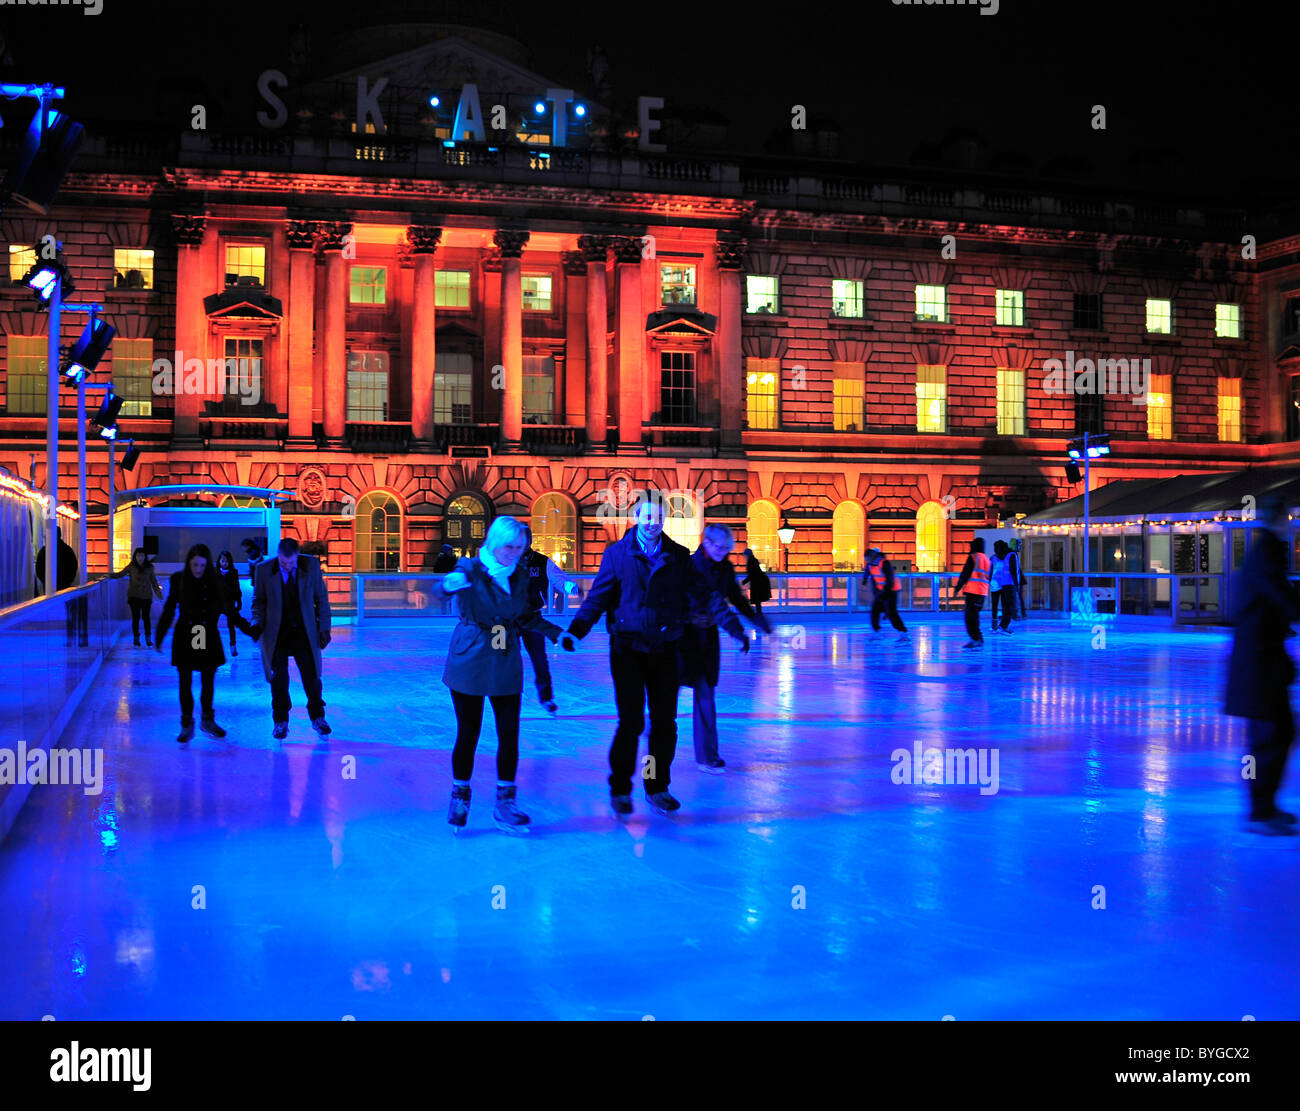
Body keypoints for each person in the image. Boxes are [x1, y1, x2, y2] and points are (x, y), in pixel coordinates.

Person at [561, 498, 749, 816]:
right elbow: (598, 597)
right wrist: (576, 630)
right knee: (631, 722)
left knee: (664, 724)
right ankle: (621, 788)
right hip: (627, 650)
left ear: (664, 520)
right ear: (637, 517)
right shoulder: (617, 554)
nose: (652, 522)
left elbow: (707, 595)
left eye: (658, 517)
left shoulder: (677, 556)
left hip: (665, 650)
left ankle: (656, 785)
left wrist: (733, 628)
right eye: (647, 516)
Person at [437, 515, 566, 833]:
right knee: (469, 733)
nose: (515, 553)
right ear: (495, 542)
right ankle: (460, 795)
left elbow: (524, 614)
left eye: (520, 548)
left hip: (505, 657)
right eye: (510, 547)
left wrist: (555, 633)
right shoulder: (471, 568)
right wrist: (447, 584)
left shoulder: (519, 574)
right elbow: (446, 586)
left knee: (509, 735)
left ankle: (505, 803)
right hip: (471, 655)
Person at [1225, 494, 1300, 834]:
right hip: (1259, 665)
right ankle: (1260, 811)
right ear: (1280, 518)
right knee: (1272, 734)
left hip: (1259, 663)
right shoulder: (1268, 550)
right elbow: (1277, 593)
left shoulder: (1262, 550)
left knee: (1272, 734)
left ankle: (1263, 807)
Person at [680, 523, 770, 772]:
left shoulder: (725, 567)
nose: (723, 552)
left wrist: (753, 620)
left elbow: (735, 597)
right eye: (719, 547)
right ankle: (651, 726)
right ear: (706, 542)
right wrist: (736, 630)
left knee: (706, 695)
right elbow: (713, 604)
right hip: (682, 638)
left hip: (707, 639)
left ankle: (708, 756)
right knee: (667, 697)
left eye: (727, 549)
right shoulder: (690, 567)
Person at [155, 543, 257, 743]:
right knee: (185, 681)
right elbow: (169, 610)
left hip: (206, 634)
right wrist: (159, 636)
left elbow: (229, 610)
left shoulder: (215, 581)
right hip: (186, 634)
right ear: (189, 563)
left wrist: (249, 630)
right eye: (195, 565)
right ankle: (187, 723)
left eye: (202, 565)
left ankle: (207, 720)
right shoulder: (179, 580)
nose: (198, 570)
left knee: (207, 680)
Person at [250, 537, 333, 740]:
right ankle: (281, 721)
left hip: (304, 632)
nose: (287, 567)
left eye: (291, 563)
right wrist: (256, 622)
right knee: (278, 681)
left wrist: (324, 628)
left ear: (297, 556)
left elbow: (321, 598)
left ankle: (318, 717)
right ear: (278, 556)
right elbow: (258, 602)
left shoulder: (310, 565)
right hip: (276, 634)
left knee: (312, 678)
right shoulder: (264, 570)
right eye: (283, 563)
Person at [518, 524, 580, 714]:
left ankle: (546, 698)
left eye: (525, 539)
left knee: (540, 659)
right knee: (503, 656)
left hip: (533, 618)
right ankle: (501, 694)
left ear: (530, 541)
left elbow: (560, 579)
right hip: (507, 620)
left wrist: (572, 588)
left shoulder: (542, 562)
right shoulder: (506, 560)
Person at [35, 534, 85, 645]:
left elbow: (38, 568)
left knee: (50, 609)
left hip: (49, 585)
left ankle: (50, 634)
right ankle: (68, 635)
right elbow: (73, 567)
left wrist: (45, 581)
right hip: (65, 585)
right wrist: (68, 581)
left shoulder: (44, 551)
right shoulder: (67, 550)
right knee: (67, 611)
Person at [110, 546, 163, 647]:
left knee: (146, 618)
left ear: (145, 557)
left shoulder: (150, 567)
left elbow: (154, 582)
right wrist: (110, 575)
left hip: (146, 596)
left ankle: (148, 639)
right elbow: (121, 574)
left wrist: (159, 595)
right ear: (135, 556)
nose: (140, 558)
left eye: (142, 556)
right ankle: (136, 639)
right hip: (134, 596)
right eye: (138, 555)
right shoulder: (132, 566)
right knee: (136, 618)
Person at [951, 537, 991, 650]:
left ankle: (975, 639)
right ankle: (978, 638)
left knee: (970, 617)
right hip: (982, 593)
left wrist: (957, 588)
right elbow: (989, 577)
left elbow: (965, 574)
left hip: (972, 592)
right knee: (975, 617)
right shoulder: (987, 560)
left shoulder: (973, 557)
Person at [863, 547, 908, 640]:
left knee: (892, 613)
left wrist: (884, 592)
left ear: (872, 556)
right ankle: (877, 631)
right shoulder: (870, 565)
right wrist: (867, 581)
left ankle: (903, 632)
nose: (867, 561)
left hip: (891, 591)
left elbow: (890, 579)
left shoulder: (884, 563)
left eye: (867, 559)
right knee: (875, 610)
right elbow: (872, 577)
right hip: (881, 591)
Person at [215, 550, 244, 656]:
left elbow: (237, 588)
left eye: (226, 561)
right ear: (219, 561)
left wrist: (239, 601)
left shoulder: (233, 572)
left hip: (229, 602)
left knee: (231, 625)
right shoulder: (215, 572)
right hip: (217, 603)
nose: (224, 563)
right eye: (222, 561)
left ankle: (233, 645)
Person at [989, 540, 1018, 635]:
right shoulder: (993, 558)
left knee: (1005, 605)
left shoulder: (1006, 557)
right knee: (995, 605)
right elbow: (990, 571)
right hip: (995, 585)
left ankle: (1002, 624)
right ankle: (995, 625)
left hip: (1004, 584)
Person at [743, 547, 773, 616]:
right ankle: (758, 613)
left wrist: (744, 582)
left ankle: (757, 614)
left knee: (757, 599)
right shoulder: (753, 560)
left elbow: (752, 573)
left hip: (757, 583)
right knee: (757, 599)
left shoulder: (751, 561)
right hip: (759, 582)